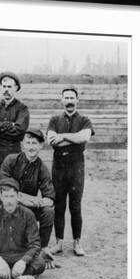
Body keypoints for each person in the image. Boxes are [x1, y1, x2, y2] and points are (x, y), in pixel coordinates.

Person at [47, 85, 95, 256]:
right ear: (62, 100)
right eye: (66, 98)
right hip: (58, 167)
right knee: (59, 206)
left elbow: (85, 137)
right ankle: (59, 243)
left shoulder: (84, 120)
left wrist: (63, 136)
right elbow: (51, 140)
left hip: (76, 168)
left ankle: (77, 243)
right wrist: (74, 139)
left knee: (75, 206)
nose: (69, 101)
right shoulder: (54, 120)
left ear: (77, 100)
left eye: (71, 98)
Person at [0, 128, 55, 258]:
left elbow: (50, 198)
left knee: (48, 211)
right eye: (28, 143)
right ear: (23, 144)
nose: (31, 147)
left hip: (29, 208)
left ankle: (42, 248)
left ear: (41, 145)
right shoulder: (11, 160)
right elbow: (5, 189)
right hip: (8, 205)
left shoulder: (42, 168)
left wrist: (37, 202)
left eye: (34, 143)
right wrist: (28, 198)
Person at [0, 71, 30, 203]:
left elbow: (19, 129)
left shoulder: (22, 108)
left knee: (13, 188)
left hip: (13, 152)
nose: (6, 90)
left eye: (9, 87)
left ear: (16, 88)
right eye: (4, 86)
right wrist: (9, 124)